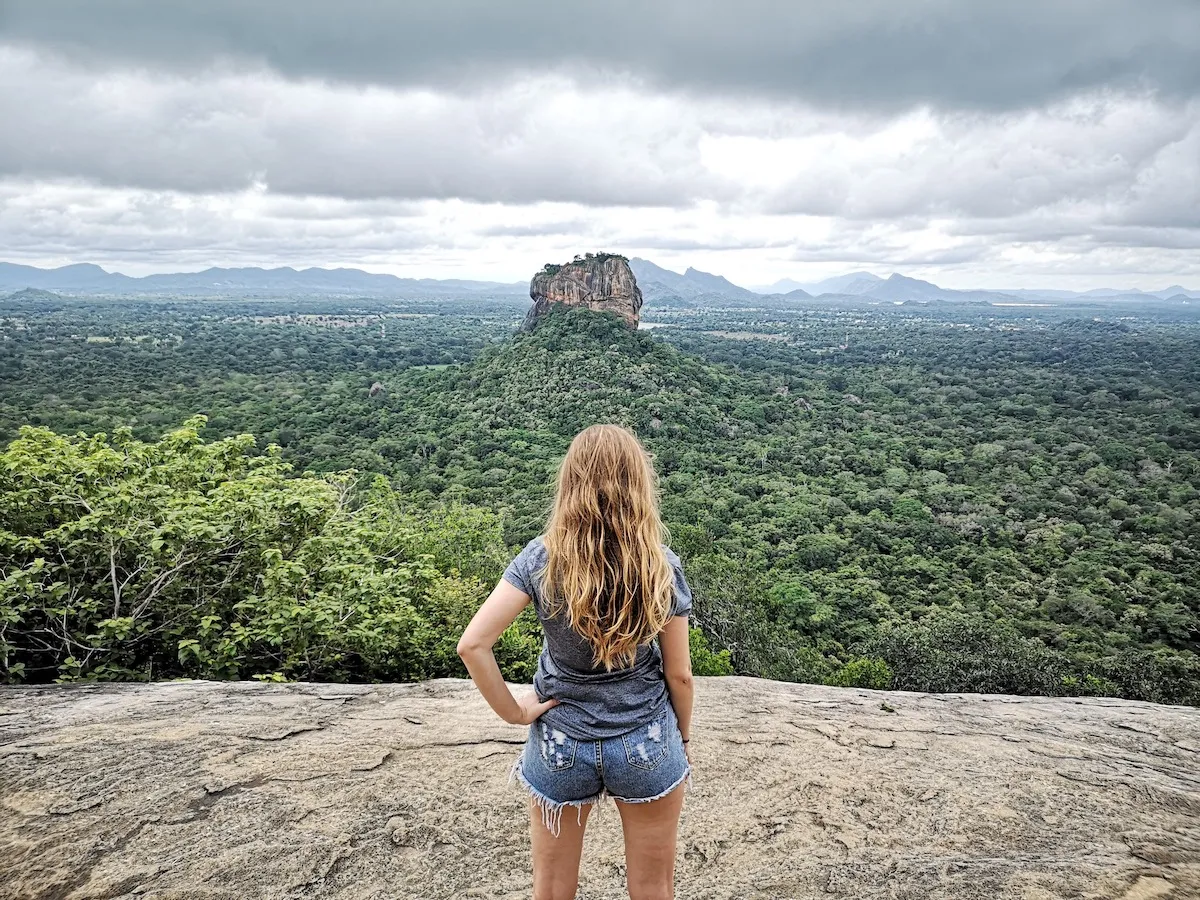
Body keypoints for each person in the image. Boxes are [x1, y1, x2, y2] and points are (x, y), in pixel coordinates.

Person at [457, 423, 694, 900]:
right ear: (638, 487)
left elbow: (473, 645)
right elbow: (680, 674)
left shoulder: (540, 559)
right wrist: (681, 737)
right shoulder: (658, 564)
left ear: (570, 483)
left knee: (551, 888)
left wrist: (516, 712)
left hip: (559, 741)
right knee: (653, 887)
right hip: (645, 739)